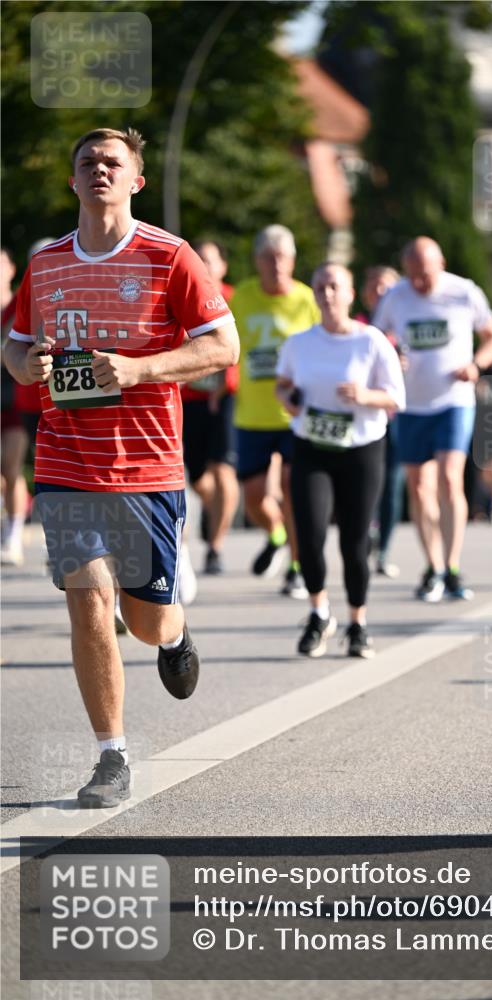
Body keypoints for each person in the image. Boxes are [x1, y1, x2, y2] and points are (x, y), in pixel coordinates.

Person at [4, 127, 239, 808]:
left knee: (145, 622)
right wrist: (31, 364)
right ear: (72, 181)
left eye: (113, 162)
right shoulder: (45, 263)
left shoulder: (170, 257)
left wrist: (139, 368)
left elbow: (222, 347)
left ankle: (175, 632)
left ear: (135, 179)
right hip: (66, 461)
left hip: (147, 467)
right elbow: (13, 350)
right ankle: (112, 756)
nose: (99, 170)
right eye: (87, 162)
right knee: (89, 602)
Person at [275, 263, 405, 658]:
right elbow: (283, 384)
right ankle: (318, 613)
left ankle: (358, 622)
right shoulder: (299, 343)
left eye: (334, 286)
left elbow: (396, 398)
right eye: (320, 287)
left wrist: (366, 397)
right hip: (312, 447)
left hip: (362, 449)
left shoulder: (371, 341)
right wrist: (288, 401)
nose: (327, 294)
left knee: (354, 542)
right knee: (310, 536)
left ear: (350, 294)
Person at [374, 236, 492, 602]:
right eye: (413, 275)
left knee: (450, 478)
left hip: (454, 400)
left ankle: (451, 566)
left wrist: (477, 364)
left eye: (426, 275)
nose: (419, 283)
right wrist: (390, 355)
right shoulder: (396, 296)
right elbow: (376, 338)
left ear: (442, 263)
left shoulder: (464, 292)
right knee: (419, 487)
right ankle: (432, 566)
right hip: (412, 404)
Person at [232, 225, 319, 597]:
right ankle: (276, 534)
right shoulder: (242, 298)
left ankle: (298, 568)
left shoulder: (306, 300)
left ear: (293, 260)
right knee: (253, 497)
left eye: (283, 257)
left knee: (292, 489)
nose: (276, 264)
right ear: (257, 261)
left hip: (295, 416)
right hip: (252, 415)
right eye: (269, 257)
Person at [182, 239, 239, 574]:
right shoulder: (183, 296)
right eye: (199, 260)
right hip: (191, 399)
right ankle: (213, 507)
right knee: (199, 478)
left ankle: (215, 548)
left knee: (223, 470)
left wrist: (226, 383)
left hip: (227, 398)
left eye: (210, 260)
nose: (204, 266)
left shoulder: (234, 299)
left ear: (223, 266)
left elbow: (239, 344)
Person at [360, 266, 403, 577]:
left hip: (400, 417)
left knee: (392, 484)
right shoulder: (357, 327)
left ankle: (384, 550)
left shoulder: (404, 327)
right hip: (364, 418)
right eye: (374, 287)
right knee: (365, 484)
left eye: (386, 288)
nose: (380, 294)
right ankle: (365, 536)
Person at [1, 246, 31, 566]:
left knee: (11, 465)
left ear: (11, 269)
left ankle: (13, 535)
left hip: (16, 395)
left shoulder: (19, 306)